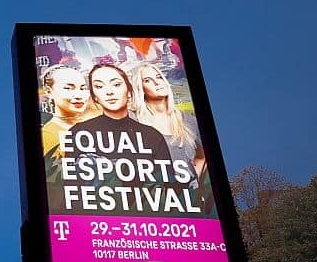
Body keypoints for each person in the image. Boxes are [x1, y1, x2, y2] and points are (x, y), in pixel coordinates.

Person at [62, 64, 181, 213]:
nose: (109, 92)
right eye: (99, 86)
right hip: (94, 221)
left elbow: (169, 189)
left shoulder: (151, 135)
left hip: (145, 220)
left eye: (116, 84)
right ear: (95, 97)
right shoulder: (79, 132)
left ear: (129, 91)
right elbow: (71, 191)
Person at [132, 62, 212, 213]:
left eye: (159, 77)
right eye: (147, 80)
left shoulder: (189, 121)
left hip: (189, 201)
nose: (157, 82)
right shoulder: (134, 120)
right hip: (154, 202)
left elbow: (202, 157)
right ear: (140, 88)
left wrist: (194, 184)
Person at [41, 65, 94, 183]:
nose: (79, 95)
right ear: (49, 91)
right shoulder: (48, 136)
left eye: (83, 88)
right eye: (68, 88)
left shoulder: (98, 125)